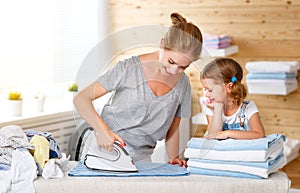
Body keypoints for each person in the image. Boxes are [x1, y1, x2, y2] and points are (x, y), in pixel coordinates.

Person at [73, 12, 203, 167]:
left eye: (183, 67)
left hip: (142, 161)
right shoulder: (128, 68)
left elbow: (173, 127)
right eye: (171, 61)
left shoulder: (184, 84)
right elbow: (81, 99)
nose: (174, 70)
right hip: (105, 150)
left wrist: (173, 157)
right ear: (162, 44)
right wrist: (102, 131)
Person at [200, 57, 265, 140]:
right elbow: (212, 135)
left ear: (229, 87)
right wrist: (218, 109)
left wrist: (228, 133)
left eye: (210, 90)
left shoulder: (248, 108)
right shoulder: (211, 108)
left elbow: (259, 134)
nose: (206, 94)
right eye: (204, 89)